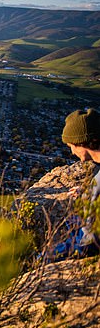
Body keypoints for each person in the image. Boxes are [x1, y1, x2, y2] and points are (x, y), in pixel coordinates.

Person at [48, 108, 100, 260]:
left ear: (82, 143)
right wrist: (86, 192)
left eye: (71, 145)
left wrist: (48, 257)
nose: (71, 151)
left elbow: (89, 242)